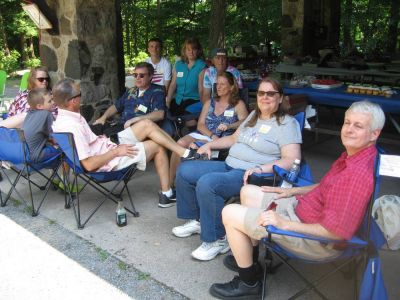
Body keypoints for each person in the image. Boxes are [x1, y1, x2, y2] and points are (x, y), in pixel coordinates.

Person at [209, 100, 385, 299]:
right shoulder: (355, 155)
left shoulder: (357, 174)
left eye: (358, 126)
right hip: (303, 210)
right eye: (347, 123)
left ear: (374, 134)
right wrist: (293, 192)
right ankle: (252, 260)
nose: (349, 130)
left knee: (230, 213)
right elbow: (328, 185)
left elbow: (336, 233)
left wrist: (283, 223)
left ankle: (248, 283)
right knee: (248, 191)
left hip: (317, 240)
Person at [172, 78, 302, 261]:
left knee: (208, 184)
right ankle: (199, 220)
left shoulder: (286, 124)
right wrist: (210, 145)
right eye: (261, 93)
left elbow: (292, 159)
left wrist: (261, 168)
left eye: (271, 93)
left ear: (280, 98)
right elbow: (233, 139)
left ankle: (217, 239)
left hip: (251, 174)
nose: (265, 97)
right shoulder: (253, 117)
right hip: (229, 164)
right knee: (185, 170)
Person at [52, 79, 205, 208]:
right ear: (72, 101)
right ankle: (167, 193)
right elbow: (89, 165)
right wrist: (116, 152)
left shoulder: (64, 118)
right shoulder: (73, 127)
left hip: (106, 145)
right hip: (109, 159)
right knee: (157, 146)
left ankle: (183, 153)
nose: (82, 97)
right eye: (80, 95)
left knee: (146, 124)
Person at [169, 72, 248, 187]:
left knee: (193, 146)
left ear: (231, 87)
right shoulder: (210, 102)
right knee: (180, 143)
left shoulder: (238, 104)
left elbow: (245, 122)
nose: (218, 87)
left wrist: (230, 126)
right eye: (217, 84)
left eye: (222, 84)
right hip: (206, 134)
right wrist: (212, 136)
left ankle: (186, 181)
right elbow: (200, 125)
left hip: (224, 139)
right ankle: (171, 183)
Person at [92, 62, 166, 137]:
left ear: (150, 76)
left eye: (141, 75)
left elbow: (159, 114)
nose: (137, 78)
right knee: (90, 131)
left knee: (103, 137)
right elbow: (116, 106)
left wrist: (136, 119)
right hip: (120, 125)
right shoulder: (131, 91)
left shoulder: (157, 92)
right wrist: (103, 118)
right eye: (135, 75)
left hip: (136, 130)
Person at [166, 37, 206, 118]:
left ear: (198, 51)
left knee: (183, 116)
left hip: (193, 100)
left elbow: (201, 89)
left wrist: (204, 108)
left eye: (194, 49)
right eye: (188, 49)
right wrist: (168, 101)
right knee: (166, 112)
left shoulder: (201, 66)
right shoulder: (179, 64)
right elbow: (173, 85)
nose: (191, 52)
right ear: (185, 51)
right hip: (178, 100)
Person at [21, 88, 60, 163]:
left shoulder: (29, 114)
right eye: (50, 101)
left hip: (24, 156)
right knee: (67, 148)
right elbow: (55, 138)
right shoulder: (46, 114)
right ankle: (66, 174)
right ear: (39, 106)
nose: (53, 102)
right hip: (36, 157)